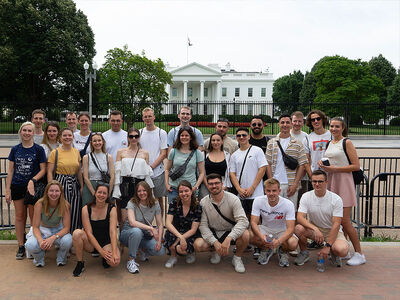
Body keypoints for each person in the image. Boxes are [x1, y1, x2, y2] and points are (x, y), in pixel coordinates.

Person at [319, 117, 366, 266]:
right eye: (332, 126)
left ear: (343, 127)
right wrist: (323, 164)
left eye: (337, 126)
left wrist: (335, 169)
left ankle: (359, 253)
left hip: (344, 182)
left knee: (345, 221)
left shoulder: (347, 142)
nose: (333, 129)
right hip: (332, 180)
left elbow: (356, 166)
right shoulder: (329, 142)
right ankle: (345, 250)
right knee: (336, 219)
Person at [6, 122, 47, 259]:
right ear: (21, 132)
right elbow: (10, 171)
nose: (27, 133)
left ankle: (32, 243)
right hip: (17, 186)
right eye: (25, 130)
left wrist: (33, 180)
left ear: (33, 133)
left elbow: (43, 170)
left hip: (33, 187)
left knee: (33, 216)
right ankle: (21, 245)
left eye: (30, 130)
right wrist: (7, 190)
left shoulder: (38, 149)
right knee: (19, 216)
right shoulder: (15, 149)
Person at [194, 174, 249, 273]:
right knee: (198, 245)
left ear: (222, 184)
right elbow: (203, 226)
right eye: (210, 184)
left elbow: (243, 221)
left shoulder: (233, 199)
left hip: (230, 231)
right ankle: (216, 251)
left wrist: (229, 238)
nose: (214, 186)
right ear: (207, 185)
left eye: (216, 183)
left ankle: (237, 258)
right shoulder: (203, 202)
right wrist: (214, 242)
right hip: (214, 231)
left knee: (245, 234)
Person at [294, 170, 349, 268]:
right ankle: (304, 253)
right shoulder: (306, 196)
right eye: (314, 181)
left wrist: (327, 246)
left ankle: (334, 252)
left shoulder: (336, 199)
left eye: (320, 181)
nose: (317, 184)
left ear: (326, 182)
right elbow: (300, 217)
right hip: (315, 229)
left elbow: (336, 224)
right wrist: (315, 229)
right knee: (298, 228)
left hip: (332, 230)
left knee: (342, 250)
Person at [72, 184, 120, 277]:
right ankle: (80, 263)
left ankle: (105, 257)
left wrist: (114, 252)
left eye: (104, 193)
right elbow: (89, 233)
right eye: (99, 192)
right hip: (91, 243)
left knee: (114, 263)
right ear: (95, 193)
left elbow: (113, 232)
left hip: (106, 242)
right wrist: (101, 251)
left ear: (107, 195)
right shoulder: (86, 209)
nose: (101, 195)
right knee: (76, 233)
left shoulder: (112, 208)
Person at [249, 179, 298, 267]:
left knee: (293, 244)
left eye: (274, 191)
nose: (271, 193)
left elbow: (291, 228)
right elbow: (253, 222)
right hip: (266, 229)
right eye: (268, 191)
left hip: (282, 230)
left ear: (279, 191)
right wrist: (262, 237)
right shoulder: (258, 200)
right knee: (248, 235)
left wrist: (279, 242)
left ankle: (282, 251)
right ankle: (266, 249)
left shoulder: (288, 204)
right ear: (265, 191)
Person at [119, 181, 165, 274]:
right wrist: (151, 228)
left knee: (160, 250)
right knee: (136, 231)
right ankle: (131, 260)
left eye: (144, 190)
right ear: (136, 192)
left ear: (148, 191)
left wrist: (159, 241)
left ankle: (142, 249)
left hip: (144, 233)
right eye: (139, 191)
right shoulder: (132, 202)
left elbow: (160, 224)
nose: (142, 193)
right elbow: (132, 222)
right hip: (128, 233)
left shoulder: (155, 203)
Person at [25, 180, 72, 267]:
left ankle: (61, 258)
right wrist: (40, 241)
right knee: (30, 245)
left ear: (61, 192)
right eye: (51, 191)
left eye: (57, 191)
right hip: (42, 230)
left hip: (58, 230)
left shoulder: (65, 205)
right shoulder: (39, 204)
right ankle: (39, 259)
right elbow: (35, 226)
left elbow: (66, 228)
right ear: (46, 192)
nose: (54, 194)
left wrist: (53, 237)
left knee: (68, 240)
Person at [266, 114, 308, 208]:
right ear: (278, 124)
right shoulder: (271, 143)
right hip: (276, 183)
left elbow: (302, 164)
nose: (285, 125)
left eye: (287, 122)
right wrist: (271, 181)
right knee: (275, 210)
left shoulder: (297, 143)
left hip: (291, 184)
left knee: (291, 211)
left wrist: (295, 184)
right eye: (282, 122)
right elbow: (267, 163)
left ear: (291, 124)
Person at [112, 128, 153, 224]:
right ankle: (123, 235)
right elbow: (118, 172)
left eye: (136, 136)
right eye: (131, 136)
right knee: (124, 216)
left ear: (139, 137)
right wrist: (117, 188)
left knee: (140, 213)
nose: (133, 138)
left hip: (140, 184)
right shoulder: (121, 152)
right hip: (126, 184)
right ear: (128, 138)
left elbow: (147, 174)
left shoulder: (145, 153)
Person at [47, 128, 84, 233]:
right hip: (60, 182)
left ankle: (73, 235)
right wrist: (51, 187)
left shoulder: (76, 152)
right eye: (65, 135)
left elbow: (78, 172)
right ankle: (61, 235)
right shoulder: (55, 152)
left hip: (74, 182)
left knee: (75, 209)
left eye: (69, 135)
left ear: (73, 137)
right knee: (62, 209)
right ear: (60, 137)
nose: (67, 137)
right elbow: (49, 171)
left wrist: (81, 186)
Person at [230, 127, 269, 218]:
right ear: (236, 138)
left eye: (244, 135)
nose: (241, 137)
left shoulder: (257, 150)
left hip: (256, 193)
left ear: (249, 137)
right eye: (239, 135)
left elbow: (262, 169)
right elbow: (232, 173)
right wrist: (239, 189)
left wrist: (253, 187)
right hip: (241, 194)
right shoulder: (235, 155)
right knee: (244, 219)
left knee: (257, 220)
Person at [164, 180, 202, 268]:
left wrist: (182, 238)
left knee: (181, 249)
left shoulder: (197, 206)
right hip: (176, 231)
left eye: (186, 191)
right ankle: (173, 257)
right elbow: (168, 223)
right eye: (181, 191)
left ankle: (190, 252)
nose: (184, 194)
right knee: (171, 236)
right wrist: (180, 237)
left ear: (191, 191)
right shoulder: (174, 203)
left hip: (189, 233)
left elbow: (193, 229)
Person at [165, 126, 205, 204]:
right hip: (174, 187)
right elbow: (167, 169)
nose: (184, 137)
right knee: (173, 213)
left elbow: (202, 173)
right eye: (182, 135)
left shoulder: (197, 153)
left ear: (191, 137)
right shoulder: (173, 152)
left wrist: (196, 186)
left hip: (190, 188)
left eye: (186, 135)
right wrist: (167, 184)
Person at [139, 107, 168, 215]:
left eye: (150, 116)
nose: (148, 118)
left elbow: (163, 153)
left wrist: (151, 167)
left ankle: (160, 223)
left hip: (157, 172)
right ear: (143, 118)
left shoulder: (161, 133)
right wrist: (145, 168)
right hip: (142, 172)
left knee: (159, 199)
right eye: (145, 117)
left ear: (154, 117)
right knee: (143, 198)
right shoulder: (140, 132)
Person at [82, 133, 115, 206]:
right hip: (90, 186)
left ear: (103, 142)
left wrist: (108, 192)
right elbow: (85, 177)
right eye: (94, 141)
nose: (97, 143)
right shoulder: (86, 157)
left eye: (99, 140)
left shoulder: (108, 157)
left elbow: (112, 177)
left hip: (103, 187)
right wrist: (94, 193)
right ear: (91, 143)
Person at [199, 132, 231, 200]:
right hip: (206, 184)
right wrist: (208, 185)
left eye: (218, 140)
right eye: (213, 140)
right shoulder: (203, 155)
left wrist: (224, 186)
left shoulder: (228, 155)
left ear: (222, 142)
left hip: (222, 185)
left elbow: (229, 173)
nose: (215, 142)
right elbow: (202, 172)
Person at [290, 111, 312, 203]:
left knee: (301, 200)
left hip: (303, 174)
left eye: (299, 121)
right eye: (295, 121)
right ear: (291, 122)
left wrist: (304, 171)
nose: (297, 124)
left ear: (303, 122)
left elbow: (308, 157)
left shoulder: (306, 136)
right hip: (289, 174)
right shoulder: (285, 135)